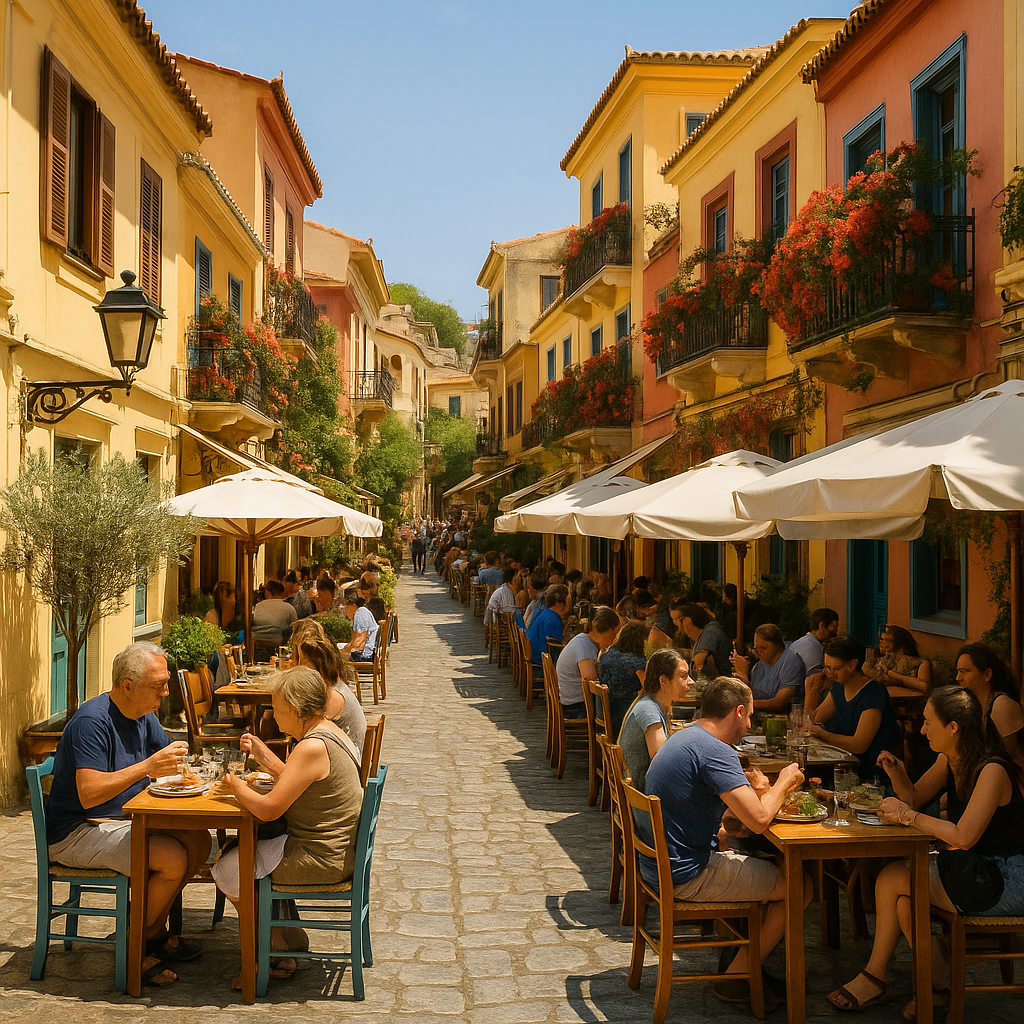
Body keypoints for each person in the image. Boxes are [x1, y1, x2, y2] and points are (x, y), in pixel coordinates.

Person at [827, 686, 1024, 1020]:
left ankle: (877, 978)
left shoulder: (992, 769)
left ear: (953, 727)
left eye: (928, 722)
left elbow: (962, 836)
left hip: (1005, 879)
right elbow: (915, 797)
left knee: (892, 879)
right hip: (973, 868)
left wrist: (907, 816)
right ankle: (935, 982)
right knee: (902, 897)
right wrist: (898, 774)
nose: (921, 729)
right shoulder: (953, 758)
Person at [46, 642, 210, 987]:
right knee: (172, 858)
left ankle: (149, 935)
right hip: (77, 830)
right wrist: (147, 767)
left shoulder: (143, 715)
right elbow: (89, 795)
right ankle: (135, 947)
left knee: (198, 841)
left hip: (121, 820)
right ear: (127, 686)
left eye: (166, 683)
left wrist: (184, 772)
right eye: (158, 685)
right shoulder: (92, 722)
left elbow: (163, 763)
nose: (166, 693)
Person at [644, 676, 810, 1010]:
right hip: (688, 875)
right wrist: (785, 782)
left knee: (755, 857)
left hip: (658, 868)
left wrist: (744, 809)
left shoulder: (687, 736)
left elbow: (725, 814)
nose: (749, 725)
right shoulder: (715, 751)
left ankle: (743, 954)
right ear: (737, 712)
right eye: (749, 716)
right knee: (799, 885)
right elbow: (761, 820)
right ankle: (738, 976)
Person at [211, 667, 363, 987]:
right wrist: (267, 758)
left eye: (277, 709)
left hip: (321, 858)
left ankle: (263, 957)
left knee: (231, 864)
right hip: (333, 849)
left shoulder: (310, 747)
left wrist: (233, 784)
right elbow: (300, 782)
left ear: (295, 708)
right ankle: (284, 941)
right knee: (251, 852)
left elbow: (268, 811)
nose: (274, 716)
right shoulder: (329, 732)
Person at [804, 635, 903, 781]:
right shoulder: (839, 686)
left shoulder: (873, 693)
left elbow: (859, 745)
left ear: (852, 665)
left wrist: (822, 734)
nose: (830, 673)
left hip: (871, 772)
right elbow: (815, 718)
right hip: (843, 764)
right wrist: (812, 690)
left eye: (835, 668)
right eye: (827, 667)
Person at [617, 648, 690, 792]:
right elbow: (661, 762)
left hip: (646, 797)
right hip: (646, 803)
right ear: (663, 680)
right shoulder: (649, 711)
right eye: (683, 676)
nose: (691, 681)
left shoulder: (652, 704)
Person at [956, 642, 1024, 767]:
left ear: (987, 674)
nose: (958, 678)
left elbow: (1010, 754)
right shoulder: (970, 704)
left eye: (964, 671)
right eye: (958, 671)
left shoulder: (1002, 705)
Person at [297, 636, 367, 752]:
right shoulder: (333, 686)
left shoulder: (334, 695)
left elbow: (308, 729)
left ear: (320, 665)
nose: (300, 667)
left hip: (345, 758)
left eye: (304, 662)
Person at [555, 606, 620, 719]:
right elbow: (590, 678)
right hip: (575, 708)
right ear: (607, 631)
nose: (616, 638)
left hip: (572, 703)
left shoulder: (584, 641)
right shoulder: (584, 646)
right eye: (615, 632)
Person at [729, 623, 804, 712]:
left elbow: (779, 703)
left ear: (777, 646)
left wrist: (746, 704)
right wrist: (743, 676)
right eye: (756, 649)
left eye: (763, 648)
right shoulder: (759, 666)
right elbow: (751, 693)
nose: (759, 652)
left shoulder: (790, 662)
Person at [599, 620, 649, 738]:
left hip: (606, 711)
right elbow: (648, 687)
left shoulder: (608, 654)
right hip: (625, 714)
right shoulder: (635, 661)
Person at [865, 624, 933, 694]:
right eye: (881, 639)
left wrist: (896, 677)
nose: (881, 643)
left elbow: (924, 686)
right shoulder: (883, 660)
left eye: (886, 640)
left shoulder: (921, 663)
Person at [676, 602, 732, 679]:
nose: (682, 630)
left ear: (688, 621)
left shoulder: (709, 632)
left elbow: (698, 665)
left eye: (681, 623)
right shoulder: (706, 633)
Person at [787, 607, 840, 685]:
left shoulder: (806, 642)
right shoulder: (810, 646)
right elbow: (817, 678)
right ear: (821, 625)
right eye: (834, 626)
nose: (836, 631)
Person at [527, 583, 569, 669]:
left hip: (536, 655)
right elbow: (553, 648)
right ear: (559, 603)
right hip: (541, 661)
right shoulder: (553, 620)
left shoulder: (547, 613)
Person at [252, 580, 297, 658]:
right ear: (281, 592)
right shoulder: (289, 607)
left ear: (268, 593)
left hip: (256, 645)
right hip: (278, 646)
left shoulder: (258, 606)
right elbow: (295, 628)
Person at [340, 589, 379, 662]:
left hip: (364, 657)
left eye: (345, 605)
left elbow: (359, 643)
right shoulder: (362, 611)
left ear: (352, 604)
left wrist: (341, 654)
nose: (345, 608)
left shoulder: (360, 614)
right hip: (368, 653)